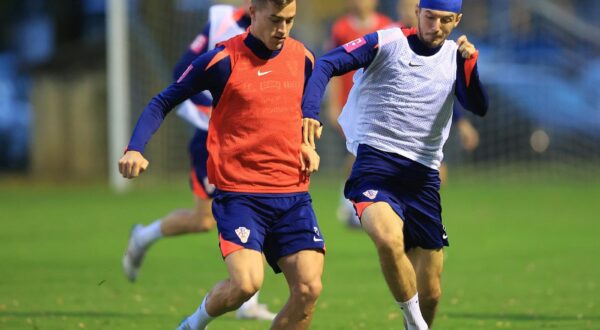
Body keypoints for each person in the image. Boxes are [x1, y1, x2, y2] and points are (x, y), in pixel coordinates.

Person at [118, 1, 326, 329]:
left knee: (309, 289)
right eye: (275, 20)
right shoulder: (221, 60)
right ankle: (192, 324)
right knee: (246, 284)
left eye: (290, 20)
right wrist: (135, 148)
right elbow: (163, 100)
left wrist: (305, 144)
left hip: (293, 196)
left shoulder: (304, 58)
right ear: (253, 12)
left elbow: (296, 113)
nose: (282, 29)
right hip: (240, 195)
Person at [301, 0, 488, 328]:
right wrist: (309, 112)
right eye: (430, 17)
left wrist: (470, 65)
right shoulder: (385, 42)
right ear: (418, 12)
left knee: (431, 291)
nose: (436, 26)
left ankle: (415, 323)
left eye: (446, 20)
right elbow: (326, 64)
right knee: (388, 239)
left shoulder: (454, 57)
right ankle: (417, 325)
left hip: (423, 179)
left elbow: (478, 105)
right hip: (375, 166)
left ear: (457, 20)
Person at [395, 0, 480, 185]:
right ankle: (353, 208)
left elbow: (445, 89)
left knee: (437, 176)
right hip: (391, 132)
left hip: (426, 129)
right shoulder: (389, 41)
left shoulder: (439, 47)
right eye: (407, 7)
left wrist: (462, 123)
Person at [327, 0, 392, 228]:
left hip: (376, 102)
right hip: (350, 103)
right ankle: (352, 204)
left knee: (361, 154)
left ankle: (354, 203)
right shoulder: (341, 28)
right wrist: (332, 103)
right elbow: (332, 67)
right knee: (358, 153)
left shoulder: (387, 26)